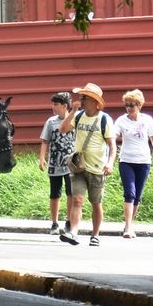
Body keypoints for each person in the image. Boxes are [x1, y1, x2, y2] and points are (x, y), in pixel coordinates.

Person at [58, 83, 116, 246]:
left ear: (94, 101)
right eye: (81, 97)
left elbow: (112, 146)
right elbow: (63, 129)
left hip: (97, 168)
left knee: (96, 203)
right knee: (77, 199)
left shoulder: (104, 119)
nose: (81, 100)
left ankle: (95, 234)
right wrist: (74, 111)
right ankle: (74, 233)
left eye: (84, 98)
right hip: (79, 166)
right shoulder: (78, 116)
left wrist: (110, 163)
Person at [113, 89, 153, 238]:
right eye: (126, 105)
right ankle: (128, 227)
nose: (128, 108)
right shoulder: (121, 120)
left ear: (139, 105)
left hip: (144, 161)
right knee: (129, 193)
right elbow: (113, 136)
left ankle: (129, 224)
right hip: (126, 161)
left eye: (131, 105)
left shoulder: (147, 120)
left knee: (137, 196)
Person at [38, 92, 75, 236]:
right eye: (52, 104)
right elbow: (45, 141)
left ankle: (69, 221)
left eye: (56, 104)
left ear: (65, 106)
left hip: (71, 164)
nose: (53, 107)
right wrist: (42, 158)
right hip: (55, 163)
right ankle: (54, 222)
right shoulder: (51, 122)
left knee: (71, 193)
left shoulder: (74, 120)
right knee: (55, 194)